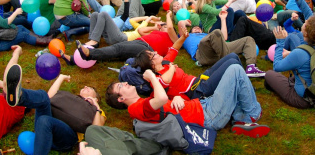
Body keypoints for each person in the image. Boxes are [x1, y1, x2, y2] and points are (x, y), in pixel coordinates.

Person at [106, 65, 269, 138]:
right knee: (235, 70)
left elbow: (166, 104)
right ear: (121, 99)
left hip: (202, 105)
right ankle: (251, 116)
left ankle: (240, 117)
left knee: (234, 80)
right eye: (121, 86)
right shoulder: (135, 109)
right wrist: (151, 77)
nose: (126, 83)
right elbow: (162, 98)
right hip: (208, 116)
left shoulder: (143, 103)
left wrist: (177, 97)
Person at [265, 11, 315, 109]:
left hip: (303, 99)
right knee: (292, 78)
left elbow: (277, 66)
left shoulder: (300, 53)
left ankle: (271, 86)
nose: (306, 21)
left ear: (306, 34)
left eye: (306, 23)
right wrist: (290, 54)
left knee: (269, 74)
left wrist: (280, 42)